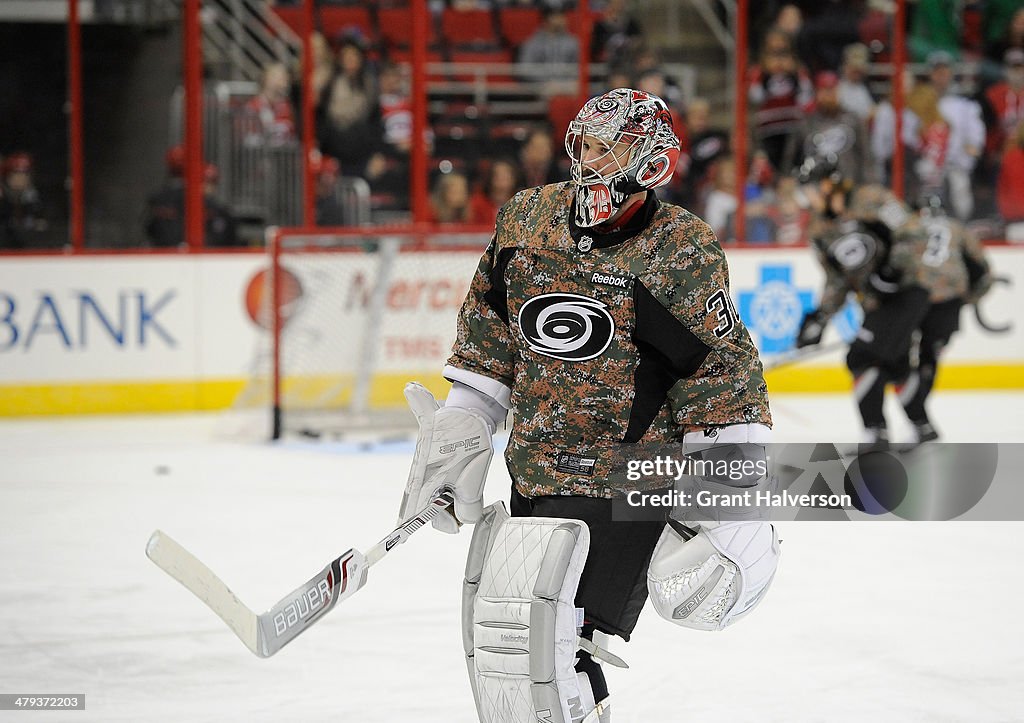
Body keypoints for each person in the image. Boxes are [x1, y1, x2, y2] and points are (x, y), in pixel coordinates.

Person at [396, 88, 779, 723]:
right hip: (537, 471)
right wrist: (465, 420)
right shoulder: (527, 222)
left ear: (649, 159)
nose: (590, 159)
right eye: (587, 144)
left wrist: (731, 483)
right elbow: (490, 330)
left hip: (628, 478)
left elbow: (716, 367)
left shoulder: (676, 248)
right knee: (506, 652)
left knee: (554, 652)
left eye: (609, 147)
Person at [793, 156, 980, 445]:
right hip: (876, 302)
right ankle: (923, 426)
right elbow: (838, 279)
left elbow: (913, 231)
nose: (805, 197)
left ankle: (875, 432)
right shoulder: (819, 229)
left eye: (809, 188)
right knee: (895, 363)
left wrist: (894, 268)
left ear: (829, 185)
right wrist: (820, 317)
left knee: (861, 356)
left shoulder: (871, 199)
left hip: (908, 291)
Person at [144, 146, 239, 247]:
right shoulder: (206, 204)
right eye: (206, 182)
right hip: (176, 255)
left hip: (199, 255)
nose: (209, 187)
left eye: (211, 183)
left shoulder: (158, 198)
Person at [0, 152, 47, 249]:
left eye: (25, 174)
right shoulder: (3, 202)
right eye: (16, 173)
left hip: (31, 252)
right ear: (7, 176)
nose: (21, 178)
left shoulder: (37, 202)